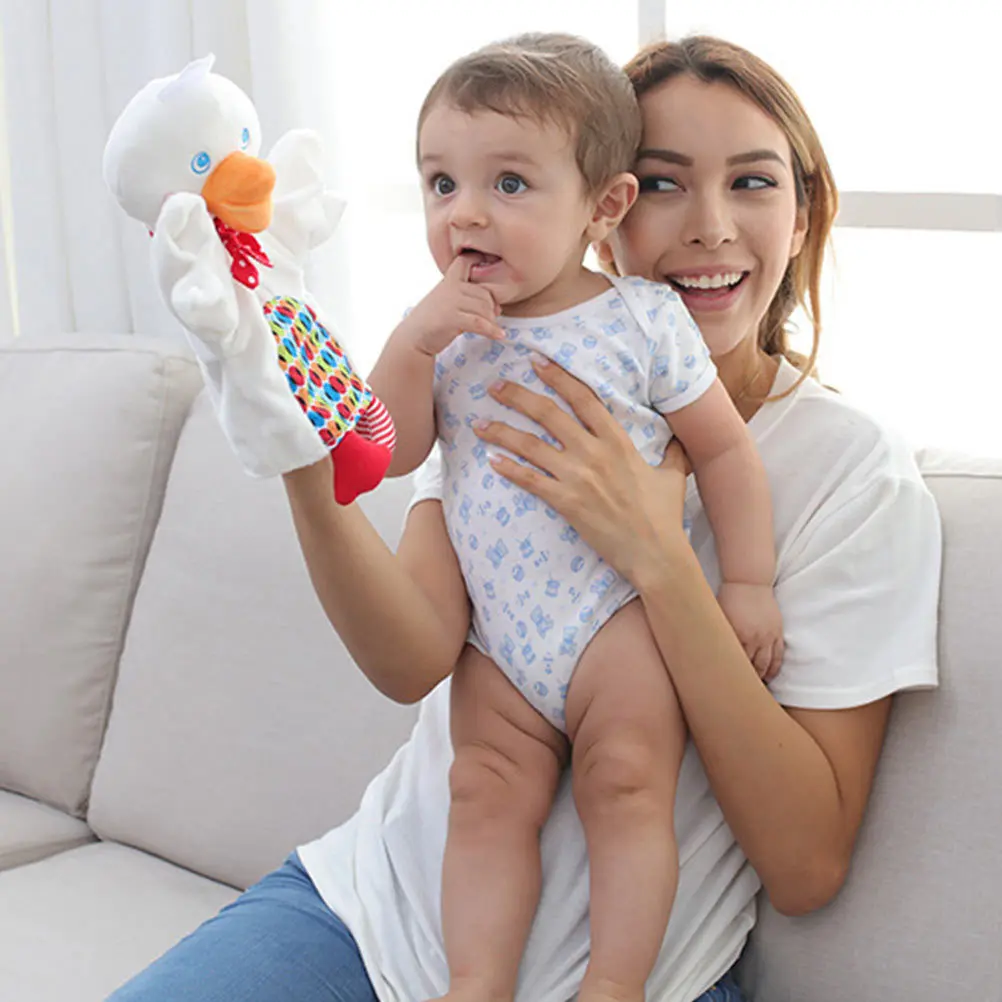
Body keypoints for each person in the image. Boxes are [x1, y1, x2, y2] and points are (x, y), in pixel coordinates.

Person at [108, 33, 941, 1002]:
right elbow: (410, 655)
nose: (710, 225)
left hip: (639, 975)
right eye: (665, 182)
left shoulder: (852, 470)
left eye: (752, 183)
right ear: (610, 212)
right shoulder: (490, 362)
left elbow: (806, 865)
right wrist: (298, 448)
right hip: (371, 913)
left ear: (804, 215)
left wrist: (661, 557)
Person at [365, 34, 783, 1002]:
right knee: (483, 795)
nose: (465, 211)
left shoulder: (640, 320)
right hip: (499, 638)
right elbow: (386, 451)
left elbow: (722, 451)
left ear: (604, 205)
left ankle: (614, 983)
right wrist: (406, 347)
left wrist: (749, 581)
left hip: (613, 617)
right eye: (441, 183)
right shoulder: (450, 328)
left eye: (509, 184)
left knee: (628, 783)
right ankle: (477, 981)